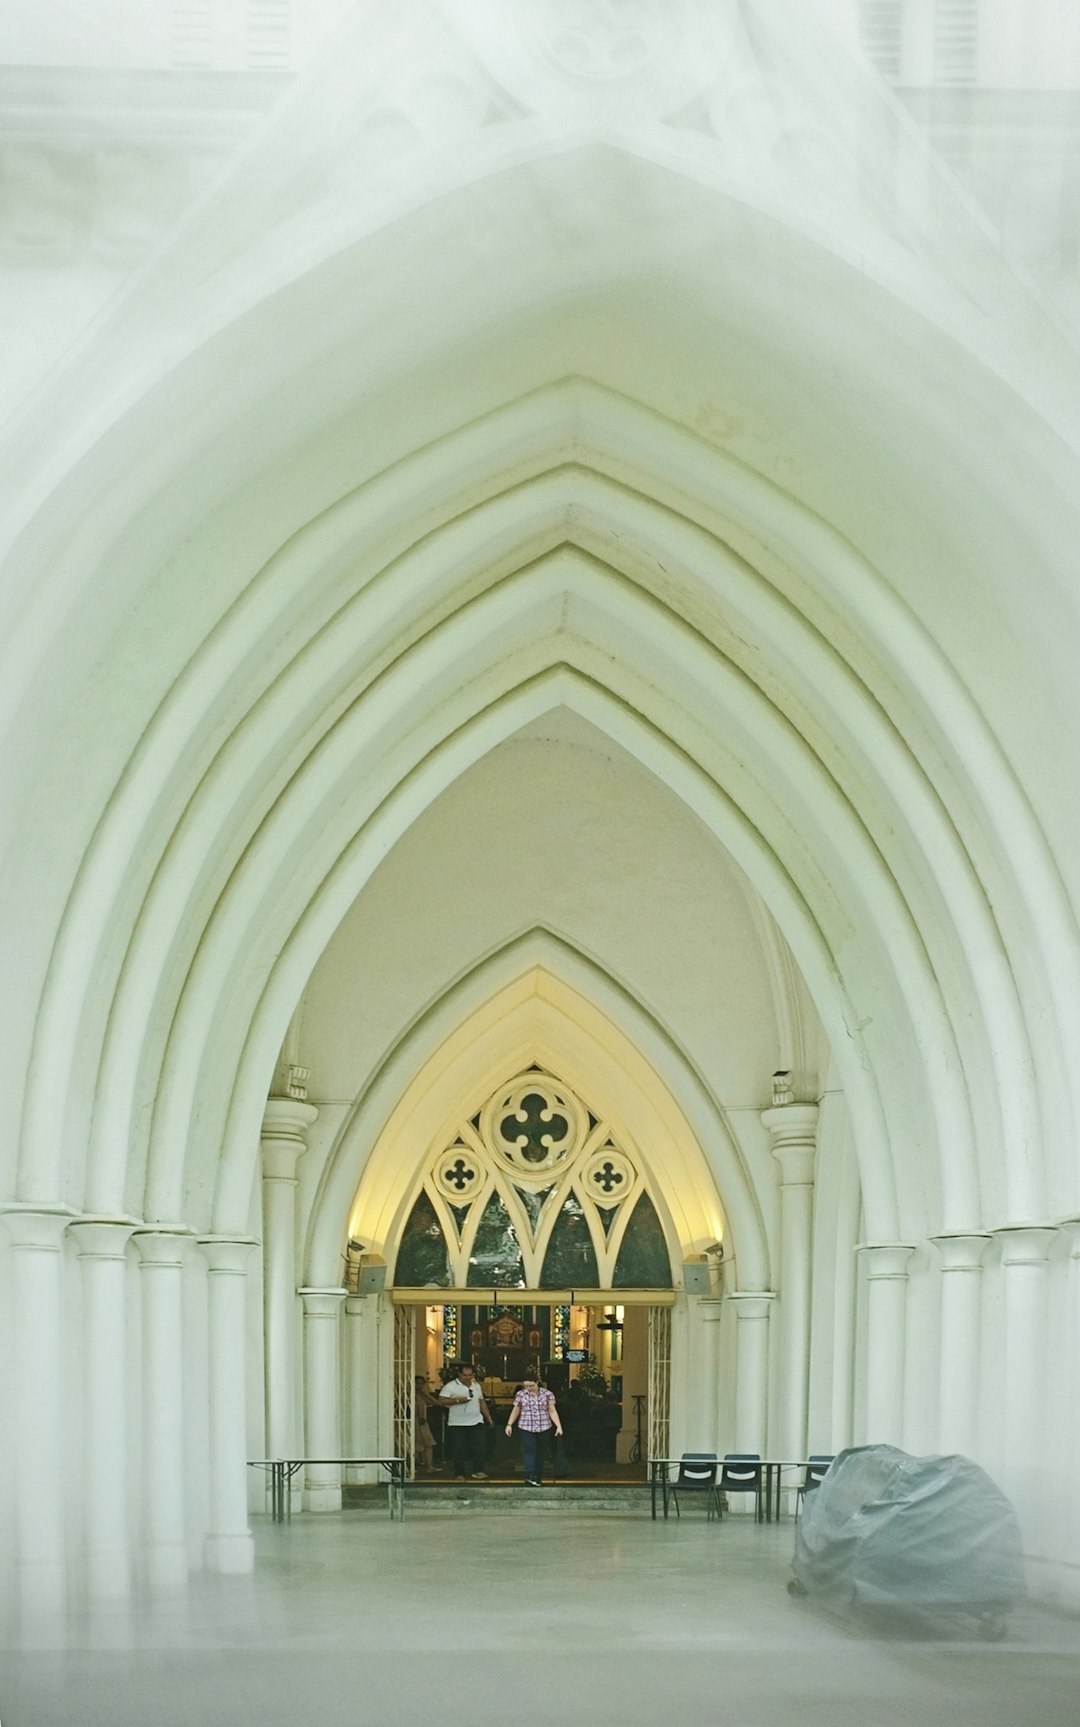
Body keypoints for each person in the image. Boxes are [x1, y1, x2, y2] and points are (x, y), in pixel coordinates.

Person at [438, 1363, 493, 1480]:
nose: (467, 1377)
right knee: (459, 1448)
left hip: (476, 1421)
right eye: (464, 1375)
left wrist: (488, 1417)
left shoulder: (476, 1386)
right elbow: (441, 1401)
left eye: (470, 1375)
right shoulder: (451, 1386)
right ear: (459, 1374)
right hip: (458, 1423)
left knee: (480, 1446)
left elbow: (481, 1402)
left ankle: (478, 1470)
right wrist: (457, 1400)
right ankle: (460, 1472)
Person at [505, 1375, 563, 1485]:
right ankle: (530, 1474)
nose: (529, 1388)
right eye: (526, 1386)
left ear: (537, 1382)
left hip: (544, 1426)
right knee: (529, 1450)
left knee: (540, 1452)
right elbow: (516, 1409)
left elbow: (552, 1411)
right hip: (526, 1426)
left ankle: (537, 1475)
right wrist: (509, 1424)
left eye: (531, 1385)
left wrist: (558, 1426)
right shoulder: (521, 1394)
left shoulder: (547, 1394)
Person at [413, 1374, 439, 1471]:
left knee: (428, 1443)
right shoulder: (407, 1394)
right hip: (412, 1421)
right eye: (417, 1383)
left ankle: (430, 1466)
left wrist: (423, 1393)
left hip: (422, 1422)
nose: (419, 1385)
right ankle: (412, 1465)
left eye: (421, 1383)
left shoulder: (422, 1395)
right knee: (413, 1444)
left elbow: (435, 1402)